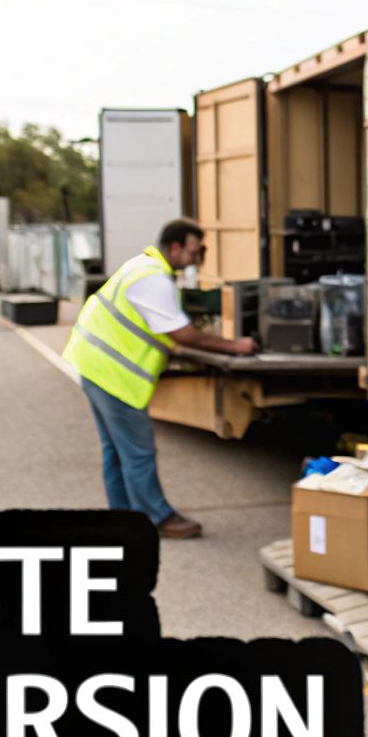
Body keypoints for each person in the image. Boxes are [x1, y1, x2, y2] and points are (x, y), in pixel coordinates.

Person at [63, 218, 256, 539]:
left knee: (116, 451)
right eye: (196, 251)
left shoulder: (142, 266)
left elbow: (155, 328)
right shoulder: (153, 279)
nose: (198, 258)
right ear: (176, 247)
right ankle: (158, 517)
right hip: (114, 374)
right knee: (137, 451)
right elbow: (182, 334)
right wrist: (235, 346)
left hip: (93, 365)